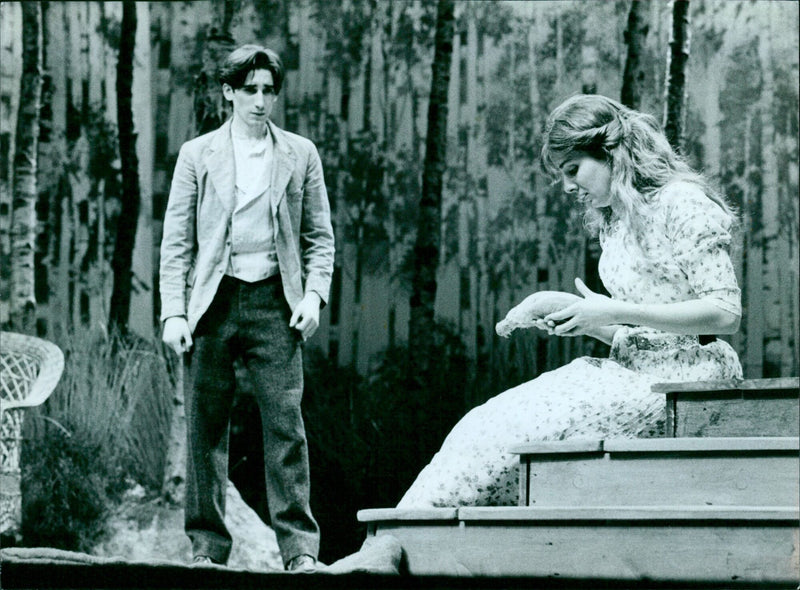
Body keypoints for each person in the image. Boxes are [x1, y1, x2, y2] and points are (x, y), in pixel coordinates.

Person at [397, 94, 742, 508]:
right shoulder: (616, 219)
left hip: (688, 385)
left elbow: (724, 314)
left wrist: (611, 310)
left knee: (524, 431)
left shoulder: (681, 201)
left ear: (612, 153)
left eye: (574, 170)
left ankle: (411, 540)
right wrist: (567, 309)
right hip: (634, 371)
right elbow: (641, 332)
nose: (568, 186)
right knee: (485, 422)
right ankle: (399, 535)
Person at [159, 45, 335, 571]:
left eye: (268, 91)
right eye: (249, 90)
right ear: (229, 92)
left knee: (285, 425)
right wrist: (174, 312)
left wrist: (313, 295)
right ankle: (207, 550)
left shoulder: (300, 154)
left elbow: (319, 239)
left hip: (273, 303)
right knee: (206, 429)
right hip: (213, 303)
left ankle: (300, 551)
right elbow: (176, 243)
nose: (260, 101)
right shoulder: (198, 154)